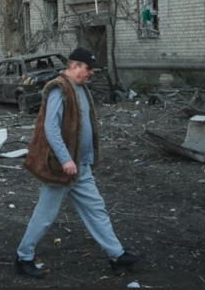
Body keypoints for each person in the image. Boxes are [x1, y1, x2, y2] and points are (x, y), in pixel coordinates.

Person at [15, 47, 140, 278]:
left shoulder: (79, 88)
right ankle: (23, 257)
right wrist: (65, 160)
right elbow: (50, 128)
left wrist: (78, 160)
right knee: (44, 216)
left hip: (80, 167)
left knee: (96, 210)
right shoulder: (59, 89)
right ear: (74, 66)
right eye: (88, 68)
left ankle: (116, 255)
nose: (91, 73)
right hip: (62, 168)